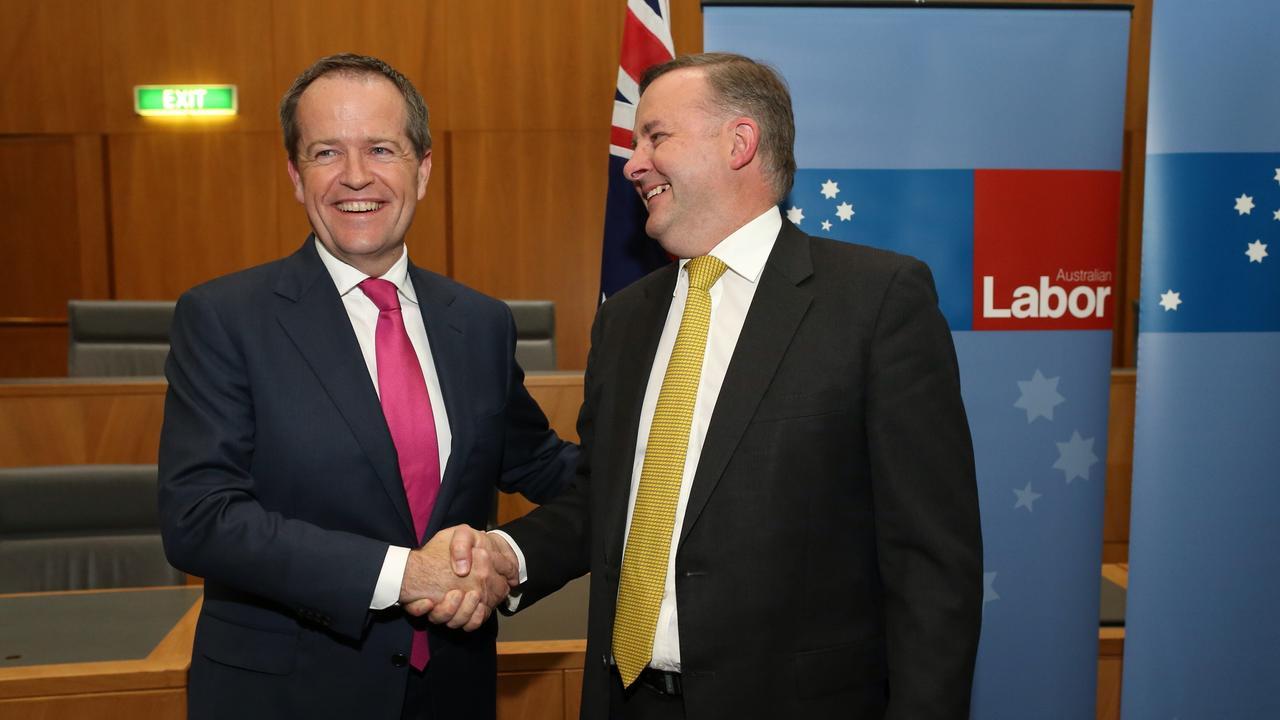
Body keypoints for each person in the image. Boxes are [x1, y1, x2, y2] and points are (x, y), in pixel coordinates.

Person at [437, 53, 983, 718]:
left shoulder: (875, 302)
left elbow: (931, 566)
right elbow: (606, 501)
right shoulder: (626, 320)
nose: (633, 163)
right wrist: (507, 555)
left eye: (655, 137)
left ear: (739, 142)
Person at [157, 53, 577, 720]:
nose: (356, 177)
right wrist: (404, 574)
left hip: (451, 693)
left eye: (381, 148)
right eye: (326, 152)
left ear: (423, 167)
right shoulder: (224, 318)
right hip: (284, 697)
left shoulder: (481, 323)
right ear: (296, 176)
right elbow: (201, 519)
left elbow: (554, 470)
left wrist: (514, 555)